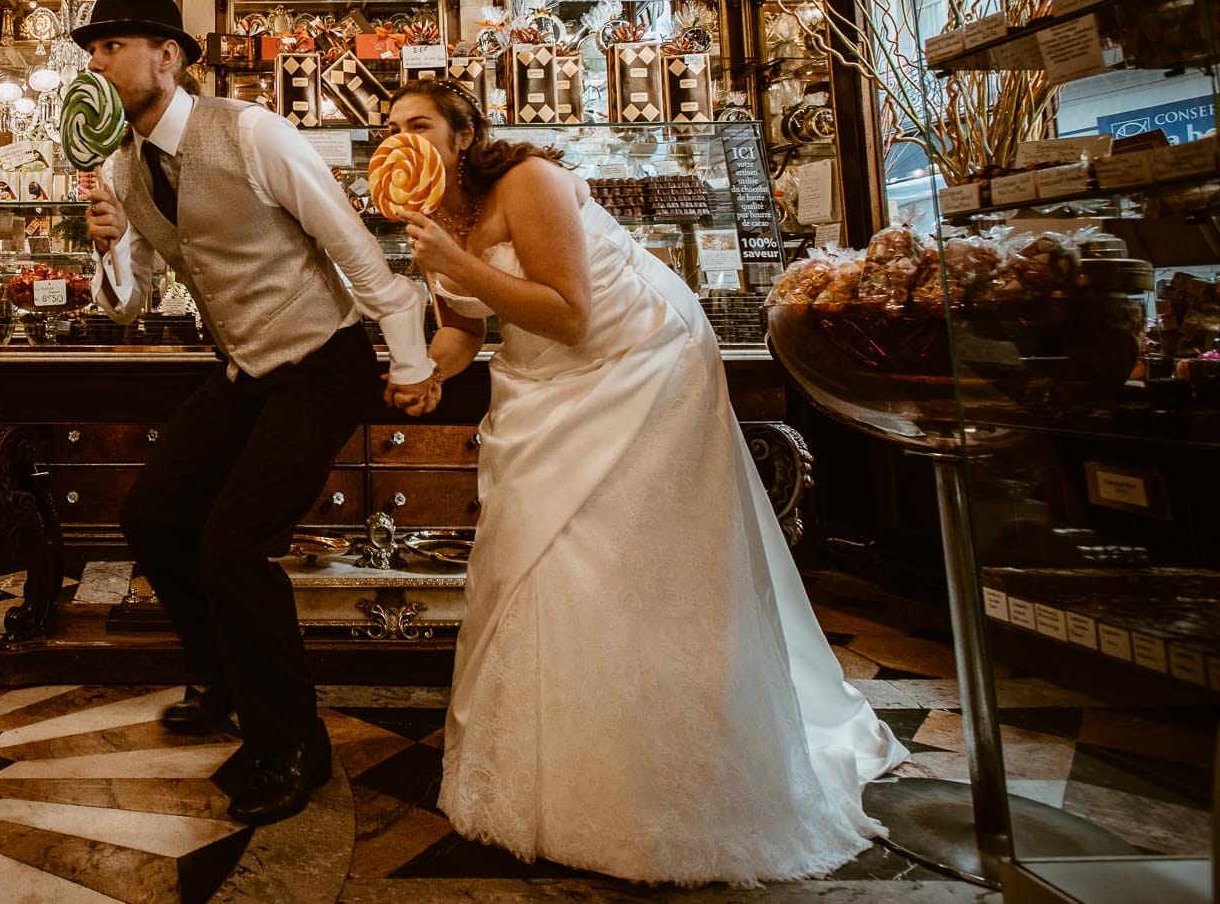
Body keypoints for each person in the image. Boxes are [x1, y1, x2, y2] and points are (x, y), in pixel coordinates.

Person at [382, 79, 907, 884]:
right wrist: (427, 372)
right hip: (542, 382)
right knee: (535, 550)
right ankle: (546, 779)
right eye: (389, 127)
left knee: (627, 559)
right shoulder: (429, 217)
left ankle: (672, 782)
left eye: (418, 123)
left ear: (462, 134)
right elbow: (466, 325)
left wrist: (455, 263)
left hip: (641, 363)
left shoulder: (530, 180)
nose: (400, 136)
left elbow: (570, 311)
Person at [77, 0, 438, 826]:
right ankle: (221, 675)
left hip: (320, 360)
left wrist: (411, 359)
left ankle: (292, 741)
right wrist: (112, 248)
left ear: (167, 55)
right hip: (244, 367)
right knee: (155, 518)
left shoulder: (249, 131)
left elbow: (349, 244)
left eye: (111, 45)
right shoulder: (126, 167)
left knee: (233, 549)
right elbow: (130, 306)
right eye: (89, 51)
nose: (94, 63)